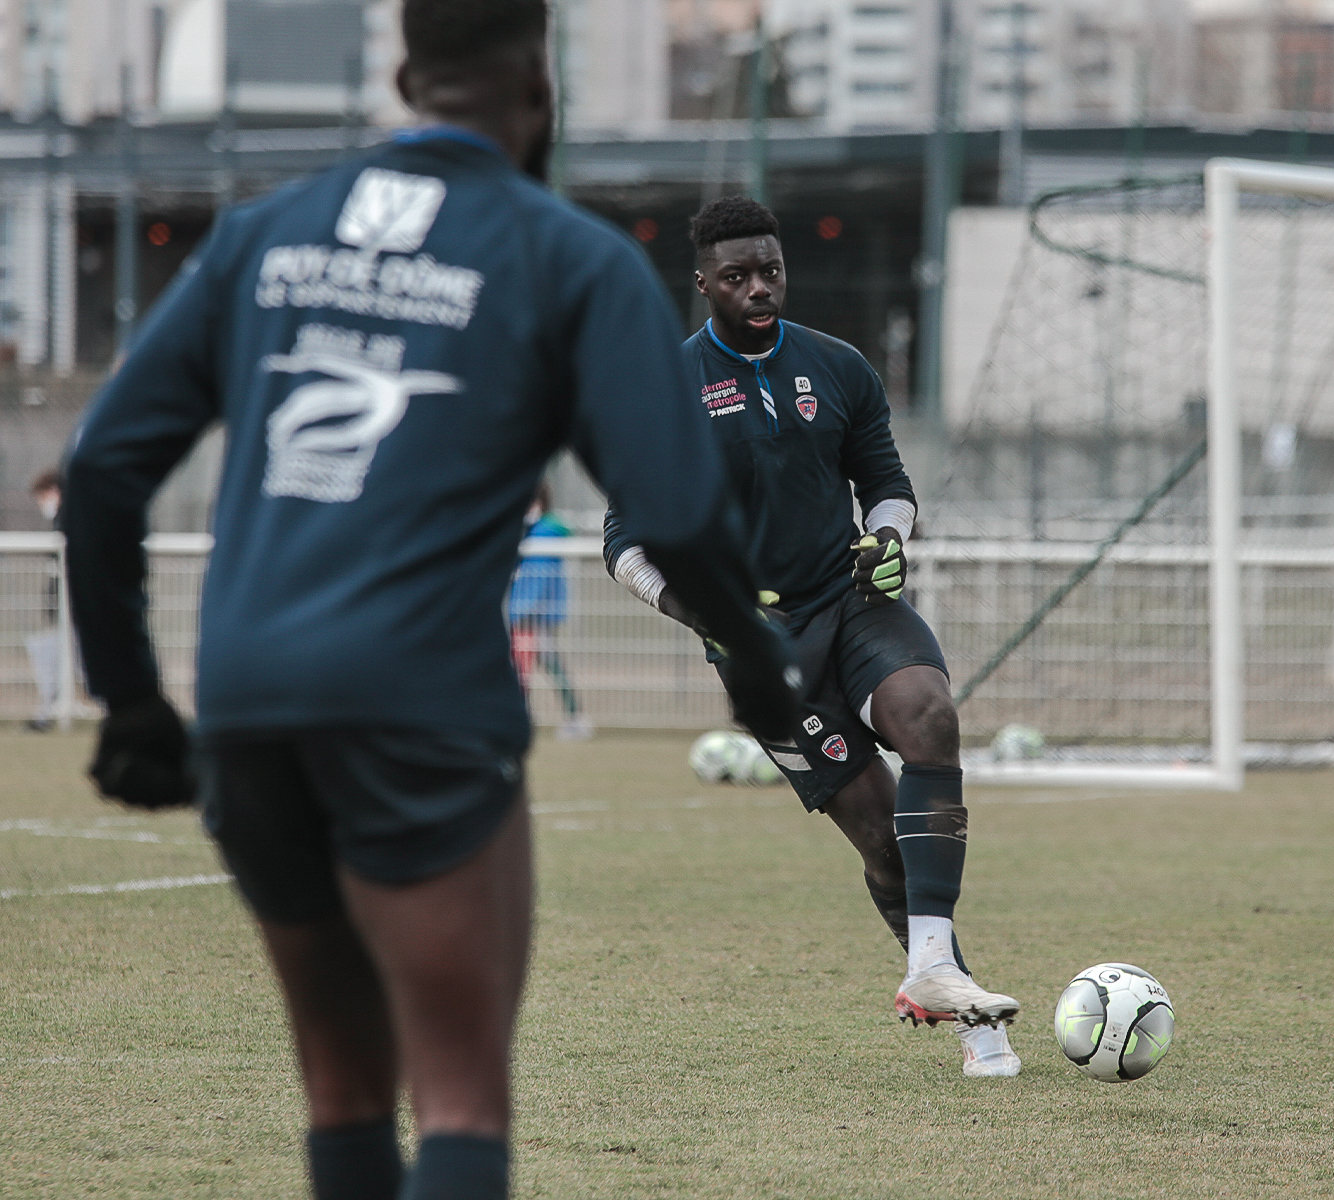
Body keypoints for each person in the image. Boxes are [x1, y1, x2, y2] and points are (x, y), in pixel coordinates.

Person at [59, 5, 797, 1199]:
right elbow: (675, 506)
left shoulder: (266, 233)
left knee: (343, 1097)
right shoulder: (566, 256)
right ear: (538, 84)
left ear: (405, 73)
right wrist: (758, 661)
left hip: (247, 703)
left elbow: (99, 469)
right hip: (420, 702)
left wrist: (133, 701)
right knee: (458, 1100)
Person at [603, 196, 1021, 1078]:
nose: (760, 287)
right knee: (878, 834)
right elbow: (624, 544)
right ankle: (950, 982)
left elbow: (890, 484)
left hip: (853, 599)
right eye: (738, 275)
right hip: (762, 651)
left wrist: (889, 540)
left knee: (930, 717)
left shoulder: (837, 366)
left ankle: (936, 974)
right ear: (704, 283)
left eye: (772, 270)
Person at [508, 479, 590, 739]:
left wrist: (520, 611)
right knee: (533, 666)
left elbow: (537, 579)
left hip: (533, 615)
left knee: (533, 666)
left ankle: (574, 718)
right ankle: (570, 717)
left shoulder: (544, 532)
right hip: (526, 614)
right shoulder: (530, 531)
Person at [25, 469, 63, 731]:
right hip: (64, 612)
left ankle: (46, 715)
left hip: (74, 611)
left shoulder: (71, 520)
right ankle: (46, 713)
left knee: (45, 653)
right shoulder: (61, 522)